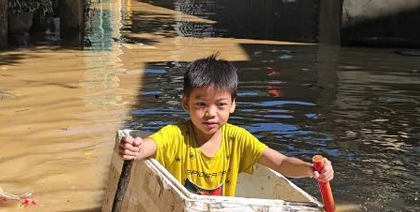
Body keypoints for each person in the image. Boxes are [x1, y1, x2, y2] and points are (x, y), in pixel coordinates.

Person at [118, 54, 334, 196]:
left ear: (232, 106)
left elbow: (280, 162)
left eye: (220, 105)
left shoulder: (237, 139)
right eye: (201, 104)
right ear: (186, 104)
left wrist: (310, 170)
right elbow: (150, 145)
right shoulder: (176, 135)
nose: (211, 113)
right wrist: (134, 148)